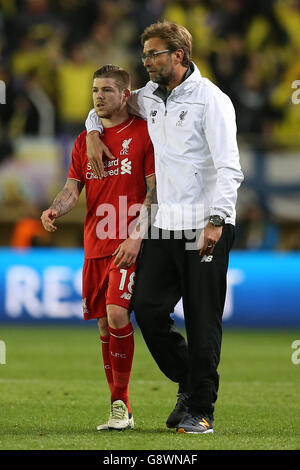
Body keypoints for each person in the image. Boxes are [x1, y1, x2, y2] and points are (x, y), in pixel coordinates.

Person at [85, 21, 244, 434]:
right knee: (148, 310)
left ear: (179, 55)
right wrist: (91, 132)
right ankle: (189, 383)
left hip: (203, 226)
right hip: (164, 225)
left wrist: (216, 220)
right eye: (144, 55)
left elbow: (230, 168)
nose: (146, 62)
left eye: (153, 54)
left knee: (202, 319)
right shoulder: (150, 97)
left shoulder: (212, 101)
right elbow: (108, 103)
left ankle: (201, 410)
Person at [41, 64, 155, 431]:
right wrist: (55, 208)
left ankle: (120, 403)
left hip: (128, 244)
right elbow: (73, 188)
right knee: (105, 326)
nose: (99, 96)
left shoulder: (144, 133)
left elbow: (155, 192)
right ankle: (120, 408)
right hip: (95, 245)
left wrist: (138, 235)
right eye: (94, 90)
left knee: (118, 314)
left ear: (125, 95)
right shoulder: (83, 141)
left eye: (107, 90)